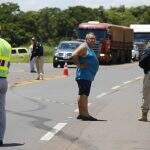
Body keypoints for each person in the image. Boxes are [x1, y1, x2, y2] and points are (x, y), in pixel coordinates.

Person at [70, 33, 100, 121]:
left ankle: (81, 113)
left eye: (94, 39)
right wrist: (79, 65)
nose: (93, 40)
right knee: (84, 95)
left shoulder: (89, 48)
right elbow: (74, 54)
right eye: (91, 38)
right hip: (84, 75)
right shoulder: (84, 46)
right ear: (86, 39)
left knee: (83, 94)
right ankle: (85, 114)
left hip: (87, 76)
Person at [0, 38, 11, 145]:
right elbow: (8, 64)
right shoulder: (6, 45)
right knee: (1, 111)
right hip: (3, 79)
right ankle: (0, 137)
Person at [138, 44, 150, 121]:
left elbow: (142, 61)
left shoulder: (148, 50)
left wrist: (146, 67)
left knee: (147, 95)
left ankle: (144, 116)